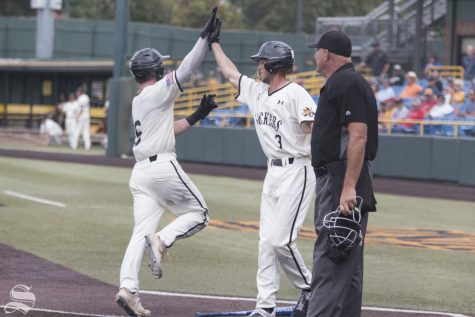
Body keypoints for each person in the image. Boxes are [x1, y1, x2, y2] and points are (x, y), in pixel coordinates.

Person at [115, 7, 220, 317]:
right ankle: (163, 239)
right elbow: (187, 69)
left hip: (141, 174)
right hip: (161, 168)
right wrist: (203, 39)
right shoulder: (158, 93)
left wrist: (197, 115)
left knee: (139, 232)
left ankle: (127, 289)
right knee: (199, 213)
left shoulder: (140, 100)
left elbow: (168, 131)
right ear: (157, 72)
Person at [211, 21, 316, 317]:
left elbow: (313, 124)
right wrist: (214, 44)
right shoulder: (257, 92)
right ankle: (264, 307)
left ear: (277, 64)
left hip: (298, 169)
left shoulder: (297, 93)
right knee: (266, 243)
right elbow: (231, 73)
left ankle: (311, 289)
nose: (258, 66)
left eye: (263, 61)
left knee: (282, 241)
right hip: (273, 172)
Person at [306, 30, 378, 317]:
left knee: (331, 259)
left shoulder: (347, 82)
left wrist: (348, 188)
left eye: (316, 51)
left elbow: (358, 137)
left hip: (341, 181)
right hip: (342, 179)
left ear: (326, 53)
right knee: (348, 266)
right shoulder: (344, 81)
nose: (314, 55)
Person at [75, 85, 91, 150]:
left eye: (78, 91)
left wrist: (78, 116)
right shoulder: (87, 97)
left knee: (77, 130)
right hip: (87, 115)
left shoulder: (81, 98)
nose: (77, 93)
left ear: (80, 92)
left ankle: (74, 145)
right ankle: (87, 146)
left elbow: (81, 108)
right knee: (86, 131)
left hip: (82, 115)